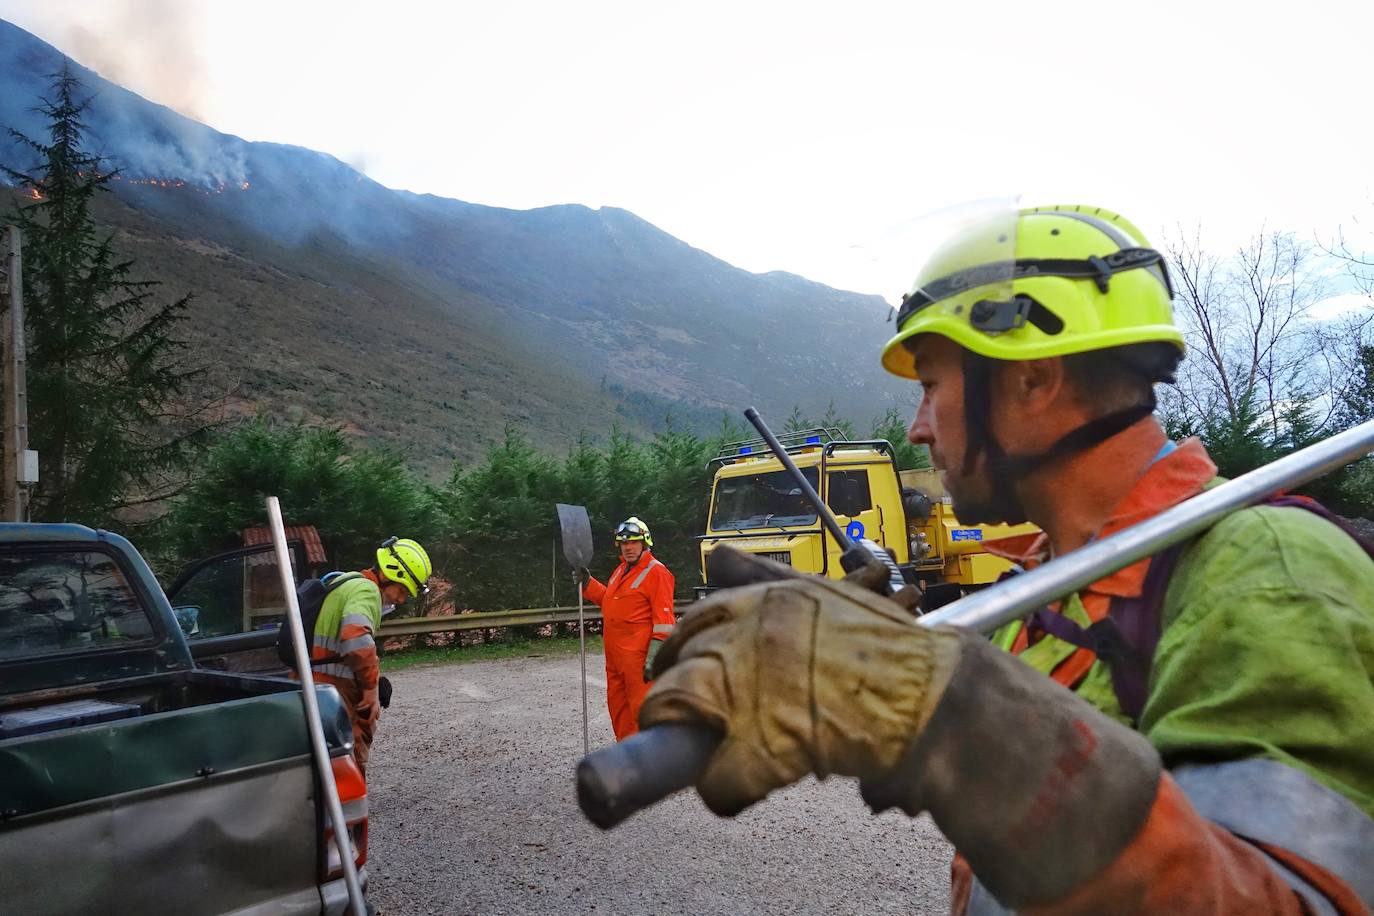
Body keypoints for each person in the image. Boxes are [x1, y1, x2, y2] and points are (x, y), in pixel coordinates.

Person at [640, 204, 1374, 914]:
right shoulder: (1043, 588)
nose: (919, 429)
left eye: (930, 386)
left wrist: (951, 712)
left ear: (1031, 379)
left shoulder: (1264, 572)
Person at [310, 536, 432, 773]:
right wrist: (370, 687)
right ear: (388, 575)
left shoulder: (347, 582)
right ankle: (348, 811)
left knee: (327, 765)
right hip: (335, 693)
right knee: (347, 766)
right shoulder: (366, 590)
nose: (401, 599)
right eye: (403, 590)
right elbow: (355, 639)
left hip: (322, 688)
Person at [579, 517, 676, 741]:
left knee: (642, 712)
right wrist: (588, 584)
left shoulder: (657, 572)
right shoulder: (621, 570)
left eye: (633, 542)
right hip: (615, 658)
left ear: (645, 543)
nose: (628, 547)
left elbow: (664, 619)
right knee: (619, 709)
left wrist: (655, 656)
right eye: (624, 543)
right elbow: (611, 601)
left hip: (638, 659)